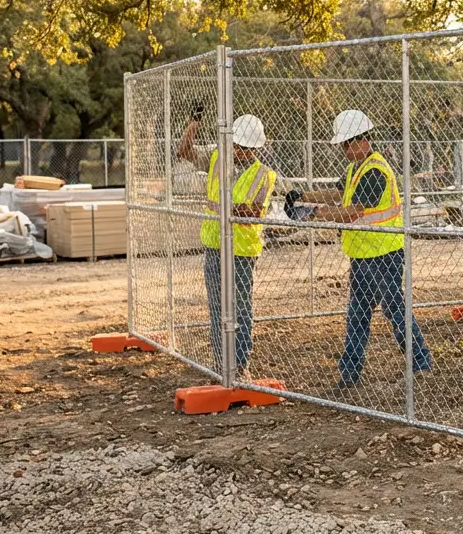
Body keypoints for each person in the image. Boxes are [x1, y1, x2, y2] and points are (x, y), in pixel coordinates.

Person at [286, 110, 430, 389]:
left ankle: (420, 363)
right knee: (358, 315)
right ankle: (350, 373)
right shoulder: (357, 168)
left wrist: (311, 213)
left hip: (383, 255)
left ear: (362, 140)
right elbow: (339, 194)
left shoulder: (376, 170)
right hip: (363, 255)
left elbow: (351, 211)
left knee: (394, 309)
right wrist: (303, 196)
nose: (343, 150)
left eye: (346, 144)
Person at [176, 109, 275, 379]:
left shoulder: (263, 175)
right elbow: (183, 151)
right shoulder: (217, 156)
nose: (239, 150)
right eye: (236, 144)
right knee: (217, 306)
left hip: (242, 250)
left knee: (241, 307)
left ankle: (239, 364)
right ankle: (222, 363)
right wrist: (193, 123)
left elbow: (255, 211)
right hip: (214, 244)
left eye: (245, 147)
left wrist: (236, 211)